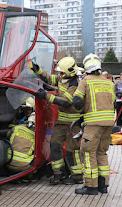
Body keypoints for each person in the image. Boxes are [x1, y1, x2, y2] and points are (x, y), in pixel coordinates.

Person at [31, 57, 82, 185]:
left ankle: (77, 176)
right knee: (54, 145)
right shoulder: (63, 78)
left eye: (62, 72)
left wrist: (46, 96)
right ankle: (58, 173)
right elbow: (49, 78)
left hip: (74, 123)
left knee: (72, 150)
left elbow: (65, 101)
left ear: (70, 72)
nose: (60, 74)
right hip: (62, 121)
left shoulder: (75, 84)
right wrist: (38, 70)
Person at [73, 53, 115, 195]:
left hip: (93, 123)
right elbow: (113, 102)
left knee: (88, 152)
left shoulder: (85, 81)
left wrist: (81, 113)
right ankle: (103, 185)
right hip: (108, 123)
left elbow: (77, 101)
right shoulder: (109, 83)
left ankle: (91, 187)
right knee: (102, 152)